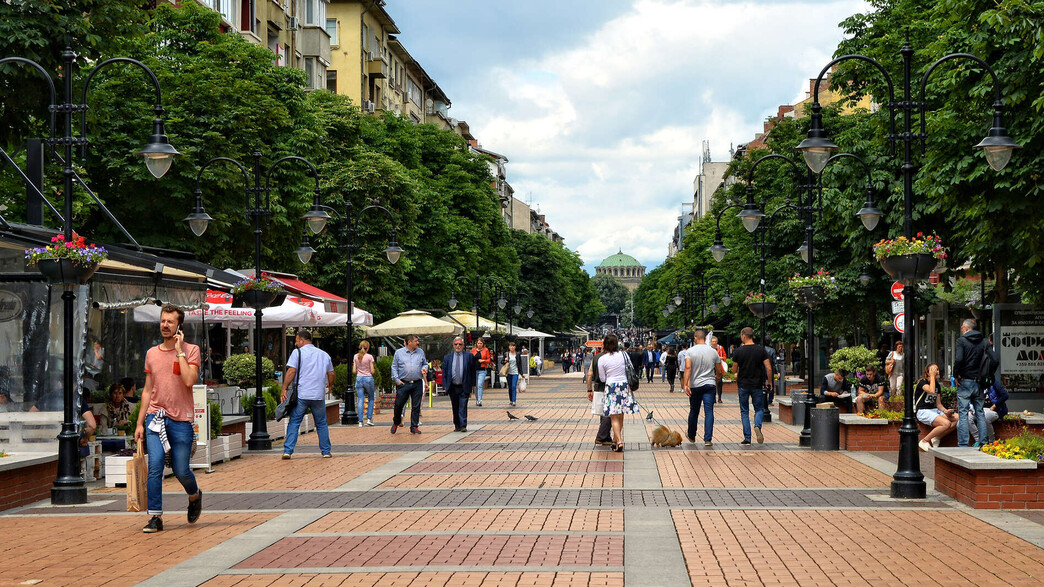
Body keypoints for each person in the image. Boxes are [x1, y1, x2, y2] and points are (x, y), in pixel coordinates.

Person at [134, 304, 202, 534]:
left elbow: (189, 380)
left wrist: (180, 350)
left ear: (179, 325)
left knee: (181, 469)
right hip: (156, 417)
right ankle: (155, 516)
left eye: (170, 322)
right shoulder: (152, 353)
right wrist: (139, 423)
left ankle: (194, 495)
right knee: (154, 467)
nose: (165, 325)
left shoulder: (192, 350)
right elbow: (147, 390)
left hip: (181, 419)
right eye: (163, 321)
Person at [281, 329, 334, 458]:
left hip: (302, 394)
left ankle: (288, 450)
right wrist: (331, 385)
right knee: (321, 423)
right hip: (318, 395)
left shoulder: (297, 353)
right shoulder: (324, 354)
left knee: (294, 422)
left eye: (296, 340)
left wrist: (284, 388)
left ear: (301, 339)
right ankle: (326, 452)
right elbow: (331, 373)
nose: (295, 343)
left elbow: (291, 371)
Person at [596, 334, 638, 452]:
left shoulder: (602, 359)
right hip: (624, 386)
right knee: (621, 415)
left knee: (613, 416)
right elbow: (630, 368)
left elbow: (602, 378)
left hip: (611, 387)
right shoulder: (624, 355)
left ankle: (619, 441)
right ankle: (615, 440)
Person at [731, 327, 772, 445]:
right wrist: (769, 381)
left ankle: (747, 438)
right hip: (757, 385)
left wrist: (736, 371)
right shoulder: (761, 350)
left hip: (743, 384)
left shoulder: (738, 351)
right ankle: (757, 425)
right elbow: (768, 367)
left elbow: (734, 368)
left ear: (743, 335)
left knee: (744, 411)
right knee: (759, 409)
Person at [683, 330, 723, 446]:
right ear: (705, 338)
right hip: (710, 384)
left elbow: (688, 367)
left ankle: (691, 435)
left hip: (695, 385)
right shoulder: (713, 351)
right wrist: (716, 378)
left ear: (695, 338)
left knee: (694, 411)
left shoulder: (690, 351)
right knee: (709, 411)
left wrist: (686, 384)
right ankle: (707, 439)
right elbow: (719, 370)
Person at [953, 318, 988, 447]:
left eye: (962, 327)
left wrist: (955, 375)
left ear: (967, 328)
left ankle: (963, 444)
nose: (961, 330)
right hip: (979, 382)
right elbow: (992, 359)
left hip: (965, 381)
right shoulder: (984, 342)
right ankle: (984, 442)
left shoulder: (962, 341)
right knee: (980, 412)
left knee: (963, 413)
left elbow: (959, 359)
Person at [390, 334, 428, 434]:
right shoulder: (399, 353)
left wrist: (425, 368)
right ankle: (396, 422)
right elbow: (394, 367)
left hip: (417, 383)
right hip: (403, 383)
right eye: (416, 341)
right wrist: (397, 380)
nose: (418, 343)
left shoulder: (420, 352)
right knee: (398, 404)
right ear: (409, 342)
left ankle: (414, 426)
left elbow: (425, 363)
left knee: (416, 406)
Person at [915, 363, 957, 451]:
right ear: (927, 372)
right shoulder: (922, 382)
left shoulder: (937, 385)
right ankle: (924, 440)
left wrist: (946, 411)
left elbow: (938, 404)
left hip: (933, 410)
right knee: (946, 423)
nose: (937, 371)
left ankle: (937, 437)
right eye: (934, 370)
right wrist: (932, 377)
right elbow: (931, 390)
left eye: (937, 369)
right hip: (922, 411)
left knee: (957, 418)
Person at [443, 336, 477, 432]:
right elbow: (445, 372)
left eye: (460, 344)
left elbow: (472, 371)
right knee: (455, 406)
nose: (458, 346)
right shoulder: (447, 358)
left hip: (464, 385)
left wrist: (472, 385)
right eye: (456, 344)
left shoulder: (469, 356)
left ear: (463, 345)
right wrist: (445, 385)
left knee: (463, 405)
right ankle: (457, 425)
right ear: (453, 345)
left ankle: (463, 425)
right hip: (452, 386)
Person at [587, 345, 613, 447]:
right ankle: (601, 437)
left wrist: (589, 389)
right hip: (607, 387)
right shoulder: (610, 358)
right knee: (608, 413)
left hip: (598, 388)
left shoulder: (596, 358)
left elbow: (589, 374)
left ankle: (606, 436)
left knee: (603, 412)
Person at [353, 340, 376, 426]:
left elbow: (354, 371)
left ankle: (360, 421)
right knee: (371, 398)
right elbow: (372, 371)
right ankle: (369, 419)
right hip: (368, 378)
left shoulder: (355, 356)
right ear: (368, 348)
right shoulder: (369, 357)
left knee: (360, 399)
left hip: (359, 378)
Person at [470, 337, 493, 406]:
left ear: (483, 344)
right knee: (476, 386)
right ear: (476, 344)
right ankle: (477, 399)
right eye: (478, 343)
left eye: (481, 343)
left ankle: (479, 400)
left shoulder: (486, 350)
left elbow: (489, 360)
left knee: (480, 385)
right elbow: (470, 359)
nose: (479, 344)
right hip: (474, 370)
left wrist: (483, 360)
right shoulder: (473, 351)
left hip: (482, 370)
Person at [503, 341, 522, 406]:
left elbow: (520, 364)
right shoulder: (506, 354)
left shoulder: (518, 354)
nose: (512, 347)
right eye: (511, 346)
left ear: (515, 347)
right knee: (510, 387)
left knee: (514, 386)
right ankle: (511, 400)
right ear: (509, 347)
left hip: (515, 372)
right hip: (508, 372)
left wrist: (521, 373)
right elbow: (501, 362)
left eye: (513, 346)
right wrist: (505, 360)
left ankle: (514, 401)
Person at [710, 336, 727, 402]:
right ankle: (713, 398)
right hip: (711, 367)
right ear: (711, 342)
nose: (714, 343)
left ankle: (719, 397)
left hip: (719, 367)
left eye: (715, 341)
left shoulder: (720, 348)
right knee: (712, 383)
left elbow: (725, 356)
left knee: (719, 382)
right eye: (713, 341)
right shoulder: (709, 349)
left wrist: (722, 358)